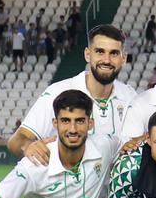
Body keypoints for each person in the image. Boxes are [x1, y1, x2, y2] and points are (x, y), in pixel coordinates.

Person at [8, 24, 136, 164]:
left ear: (123, 59)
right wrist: (28, 146)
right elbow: (16, 140)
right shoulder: (57, 92)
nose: (106, 60)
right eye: (100, 51)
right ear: (88, 54)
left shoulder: (130, 97)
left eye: (114, 53)